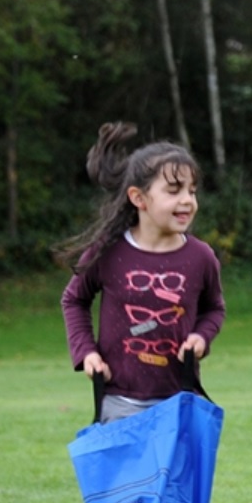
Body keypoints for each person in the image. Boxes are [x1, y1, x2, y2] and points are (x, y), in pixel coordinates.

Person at [57, 122, 225, 423]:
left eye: (192, 191)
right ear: (138, 198)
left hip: (181, 401)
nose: (187, 200)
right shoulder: (107, 253)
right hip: (120, 402)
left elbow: (214, 309)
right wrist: (86, 353)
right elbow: (74, 300)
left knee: (177, 474)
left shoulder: (201, 257)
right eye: (173, 191)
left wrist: (201, 337)